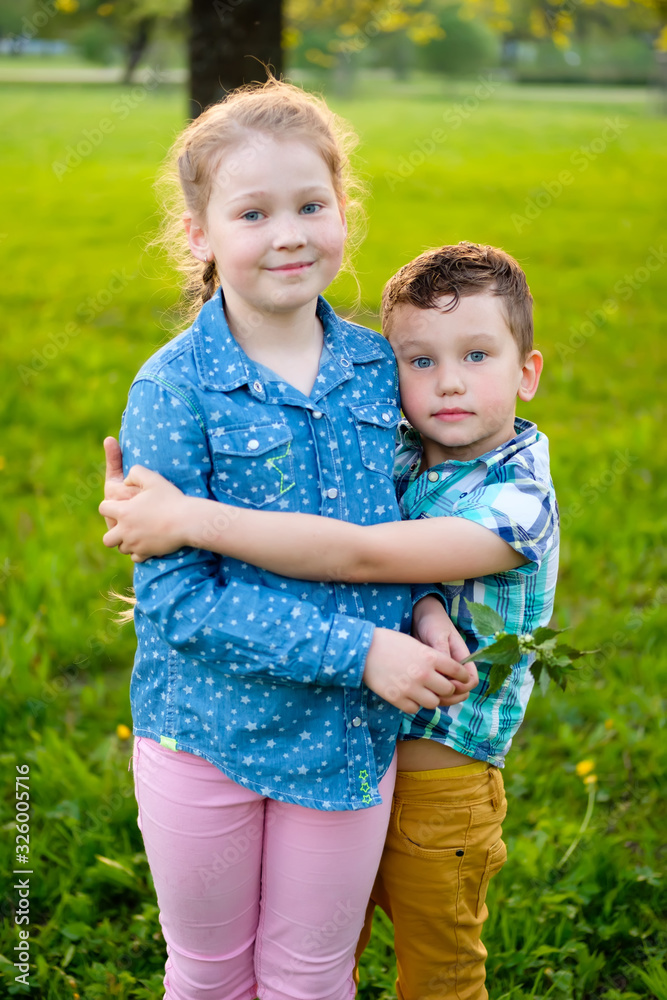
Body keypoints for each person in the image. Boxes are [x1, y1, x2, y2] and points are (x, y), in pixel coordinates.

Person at [99, 78, 477, 1000]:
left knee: (312, 976)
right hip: (207, 737)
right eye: (253, 213)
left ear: (343, 209)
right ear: (198, 234)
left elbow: (402, 523)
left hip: (344, 742)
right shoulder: (174, 389)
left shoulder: (377, 368)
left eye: (311, 205)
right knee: (209, 975)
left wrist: (426, 609)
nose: (289, 234)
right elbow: (179, 604)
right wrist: (363, 652)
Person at [101, 241, 560, 1000]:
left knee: (438, 967)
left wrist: (189, 519)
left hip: (439, 777)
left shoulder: (519, 502)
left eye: (477, 356)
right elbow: (399, 560)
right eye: (420, 361)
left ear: (527, 372)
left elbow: (362, 555)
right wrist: (423, 606)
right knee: (318, 960)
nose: (448, 382)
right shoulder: (408, 453)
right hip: (351, 737)